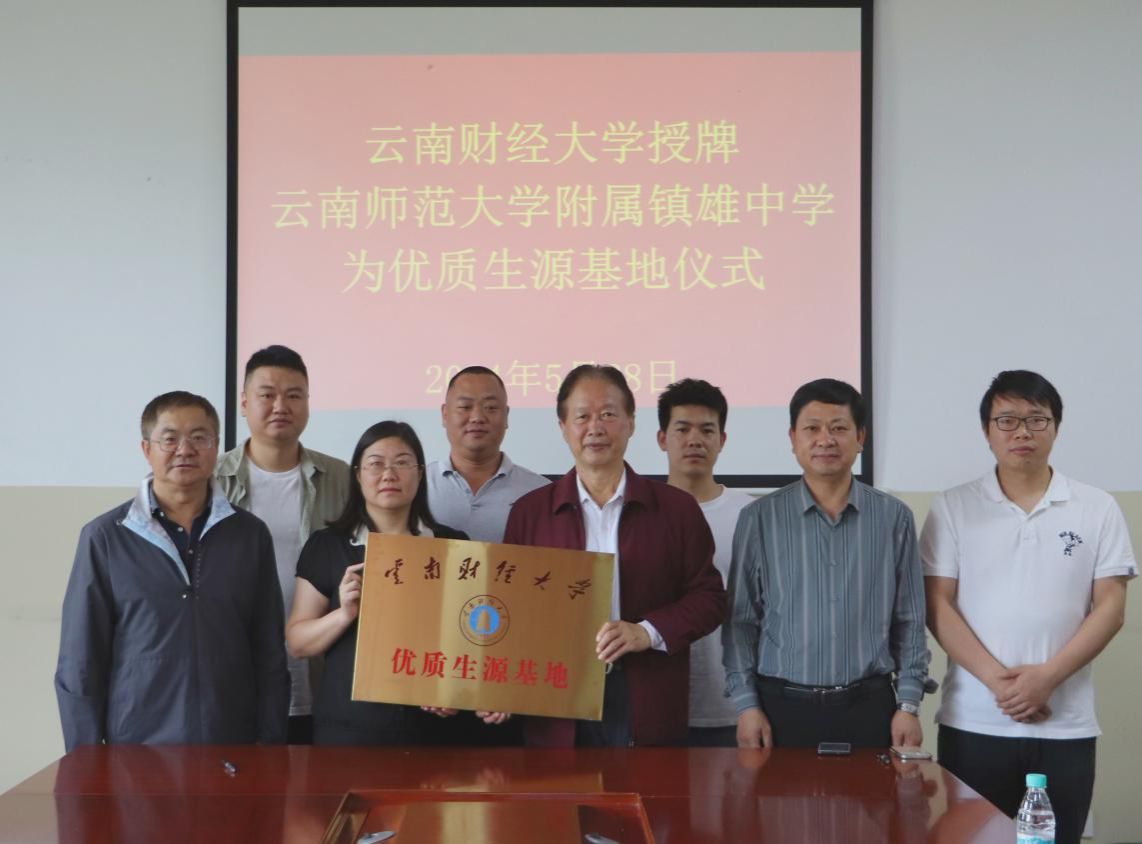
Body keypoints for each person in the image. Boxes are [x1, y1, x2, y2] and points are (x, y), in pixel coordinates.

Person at [921, 370, 1136, 844]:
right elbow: (937, 603)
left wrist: (1046, 679)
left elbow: (1111, 607)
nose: (1022, 431)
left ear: (1056, 427)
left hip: (1065, 724)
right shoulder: (953, 506)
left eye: (1037, 419)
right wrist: (1001, 683)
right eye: (1007, 420)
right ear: (987, 431)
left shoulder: (1096, 507)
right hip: (973, 720)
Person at [503, 365, 726, 747]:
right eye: (582, 416)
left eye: (608, 414)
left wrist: (646, 632)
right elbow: (510, 608)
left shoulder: (676, 510)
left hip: (646, 693)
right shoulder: (530, 513)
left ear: (631, 423)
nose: (595, 427)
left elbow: (709, 599)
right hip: (557, 698)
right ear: (562, 427)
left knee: (647, 785)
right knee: (560, 785)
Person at [55, 391, 288, 750]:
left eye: (199, 437)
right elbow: (80, 660)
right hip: (137, 748)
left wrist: (270, 743)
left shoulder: (249, 535)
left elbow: (269, 651)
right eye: (170, 439)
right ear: (146, 449)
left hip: (231, 742)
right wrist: (85, 759)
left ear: (216, 447)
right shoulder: (105, 538)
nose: (185, 450)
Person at [723, 378, 929, 749]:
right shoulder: (760, 518)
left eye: (838, 428)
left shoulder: (893, 517)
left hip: (870, 708)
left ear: (860, 437)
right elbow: (741, 621)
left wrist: (909, 705)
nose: (825, 440)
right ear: (793, 438)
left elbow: (910, 619)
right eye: (812, 429)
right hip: (780, 710)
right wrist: (746, 705)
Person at [285, 420, 471, 745]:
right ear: (358, 475)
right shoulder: (328, 546)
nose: (388, 474)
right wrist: (343, 614)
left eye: (402, 463)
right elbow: (297, 643)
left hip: (433, 732)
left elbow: (472, 639)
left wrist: (456, 692)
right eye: (375, 464)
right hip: (348, 730)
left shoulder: (452, 546)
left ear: (420, 473)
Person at [216, 344, 349, 744]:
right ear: (243, 402)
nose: (281, 406)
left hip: (324, 676)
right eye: (267, 394)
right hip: (238, 680)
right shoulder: (211, 483)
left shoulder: (343, 479)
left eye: (294, 395)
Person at [657, 378, 755, 747]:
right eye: (682, 429)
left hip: (733, 705)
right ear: (662, 439)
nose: (695, 440)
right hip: (657, 702)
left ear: (722, 440)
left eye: (707, 430)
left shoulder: (750, 514)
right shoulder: (641, 511)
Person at [427, 365, 548, 543]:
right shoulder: (417, 486)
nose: (477, 417)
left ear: (506, 416)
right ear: (445, 415)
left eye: (490, 407)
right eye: (465, 407)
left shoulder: (541, 493)